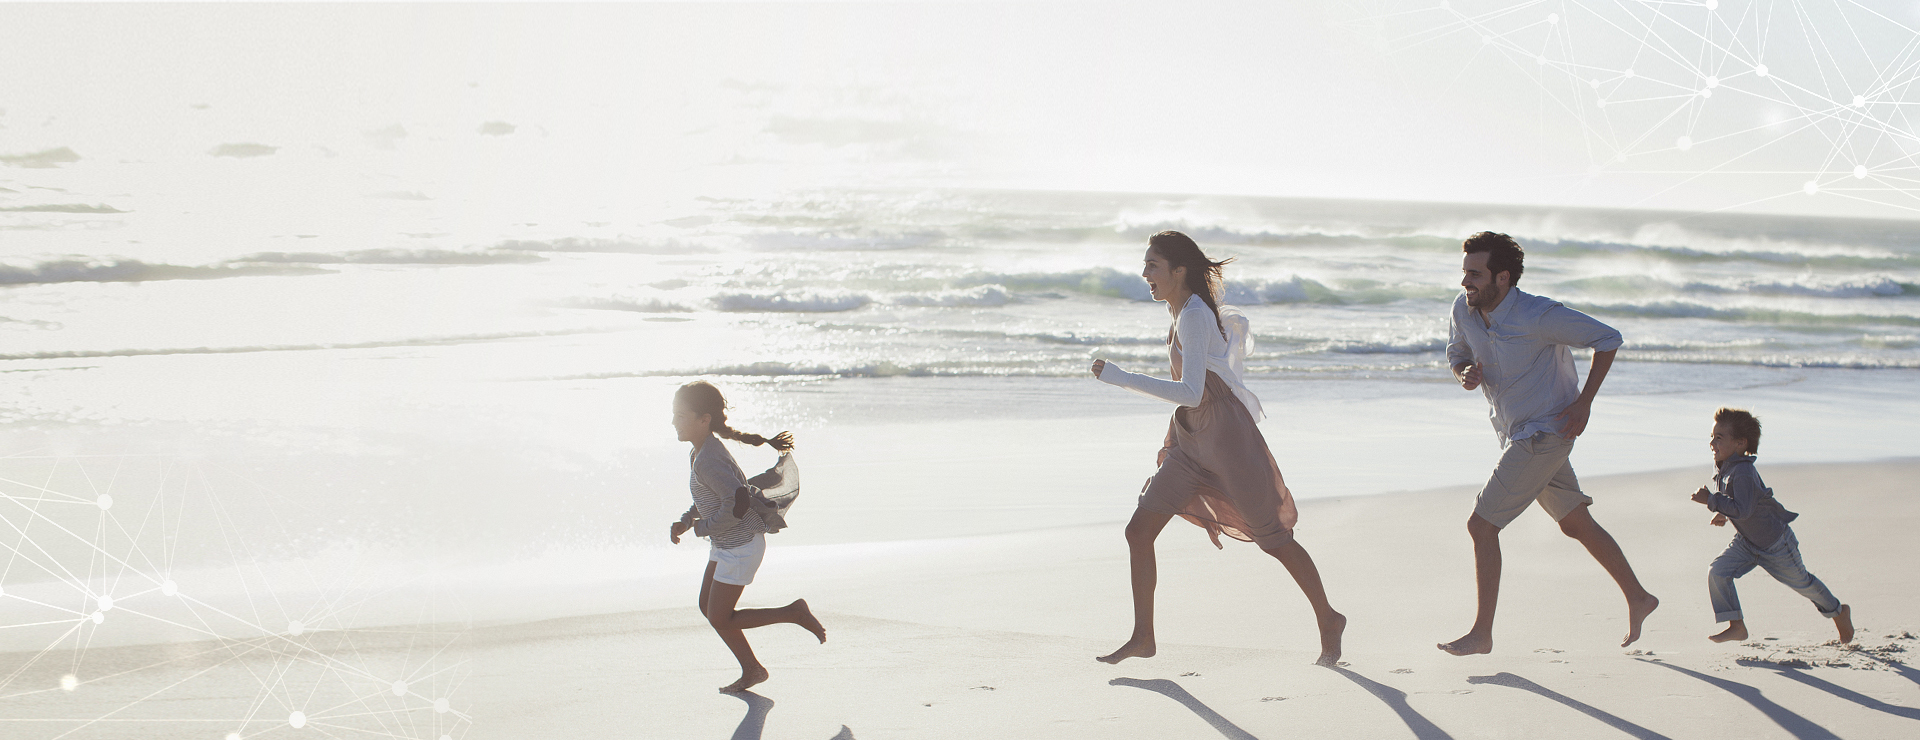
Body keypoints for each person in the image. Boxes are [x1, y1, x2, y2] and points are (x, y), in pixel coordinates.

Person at [1089, 230, 1346, 667]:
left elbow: (1191, 392)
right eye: (1145, 264)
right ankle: (1143, 637)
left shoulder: (1192, 315)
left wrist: (1122, 378)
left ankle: (1328, 618)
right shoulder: (1177, 312)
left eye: (1152, 265)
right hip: (1191, 442)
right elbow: (1193, 393)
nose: (1145, 273)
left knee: (1273, 539)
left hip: (1226, 441)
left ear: (1178, 271)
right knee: (1139, 530)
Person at [1437, 232, 1659, 656]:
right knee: (1575, 522)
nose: (1466, 282)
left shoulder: (1539, 315)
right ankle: (1639, 597)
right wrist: (1463, 371)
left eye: (1475, 274)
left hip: (1545, 433)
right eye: (1464, 272)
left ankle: (1482, 634)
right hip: (1513, 431)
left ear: (1503, 277)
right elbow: (1456, 351)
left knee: (1481, 525)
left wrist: (1584, 402)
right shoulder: (1464, 309)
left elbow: (1608, 338)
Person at [668, 380, 825, 693]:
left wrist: (700, 528)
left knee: (720, 617)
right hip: (726, 543)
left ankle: (793, 613)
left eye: (681, 416)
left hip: (740, 546)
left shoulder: (708, 459)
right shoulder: (700, 452)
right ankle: (752, 668)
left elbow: (735, 505)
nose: (674, 422)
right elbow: (712, 496)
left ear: (704, 419)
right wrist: (687, 519)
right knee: (708, 608)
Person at [1690, 407, 1853, 644]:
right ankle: (1736, 626)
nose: (1712, 443)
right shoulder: (1723, 465)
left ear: (1740, 443)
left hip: (1776, 544)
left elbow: (1743, 509)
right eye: (1712, 436)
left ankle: (1838, 612)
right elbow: (1736, 499)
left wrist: (1711, 501)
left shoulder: (1744, 471)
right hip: (1746, 542)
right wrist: (1722, 513)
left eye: (1719, 438)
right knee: (1717, 572)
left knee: (1803, 584)